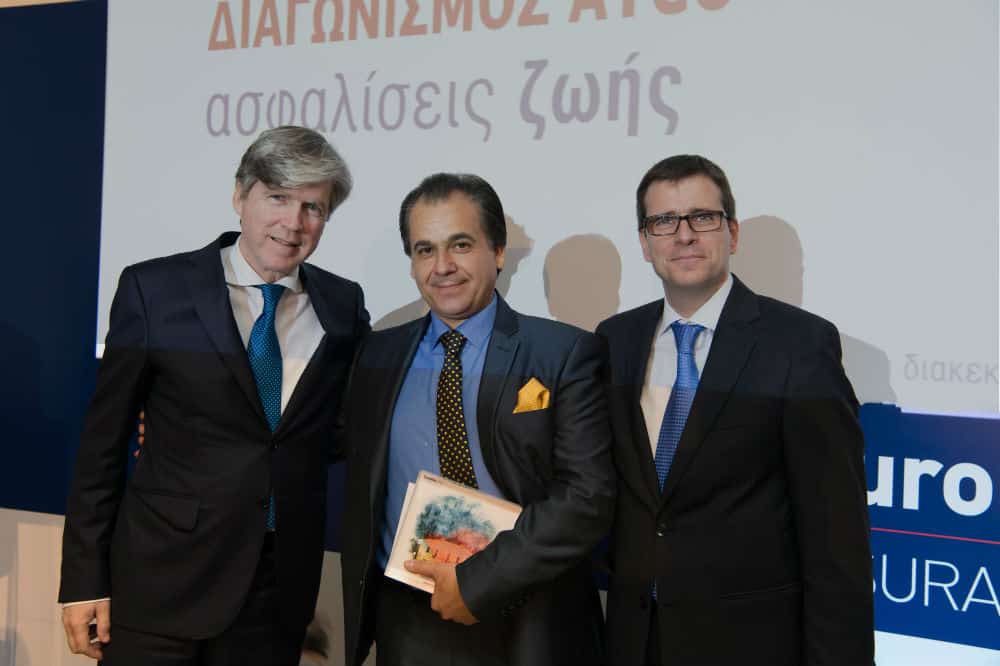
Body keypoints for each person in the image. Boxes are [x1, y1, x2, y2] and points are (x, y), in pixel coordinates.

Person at [59, 126, 370, 665]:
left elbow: (334, 427)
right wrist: (84, 580)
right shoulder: (153, 290)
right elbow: (102, 445)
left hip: (275, 593)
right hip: (158, 585)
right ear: (240, 196)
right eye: (278, 198)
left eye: (313, 208)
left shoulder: (343, 305)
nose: (293, 223)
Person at [596, 155, 873, 666]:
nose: (684, 235)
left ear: (733, 233)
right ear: (645, 242)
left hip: (751, 644)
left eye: (703, 217)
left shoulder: (799, 345)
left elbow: (836, 539)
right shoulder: (614, 341)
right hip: (633, 640)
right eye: (664, 221)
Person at [338, 173, 615, 666]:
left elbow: (586, 496)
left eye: (460, 245)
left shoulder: (563, 353)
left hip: (530, 614)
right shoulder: (376, 356)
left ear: (499, 252)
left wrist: (478, 581)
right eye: (425, 250)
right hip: (411, 620)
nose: (442, 266)